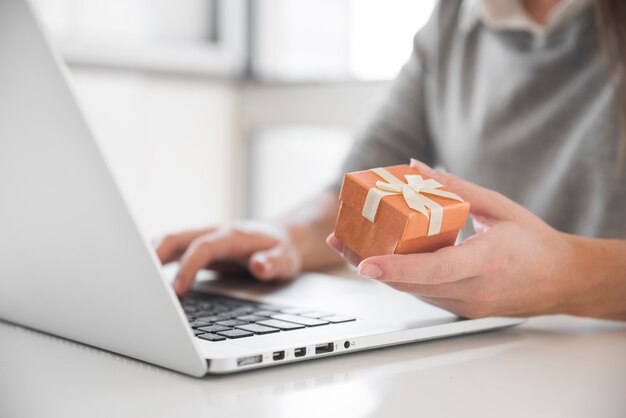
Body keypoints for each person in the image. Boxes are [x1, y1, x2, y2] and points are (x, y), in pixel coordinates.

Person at [156, 0, 626, 321]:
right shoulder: (453, 20)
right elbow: (368, 175)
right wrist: (287, 237)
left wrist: (566, 275)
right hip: (487, 358)